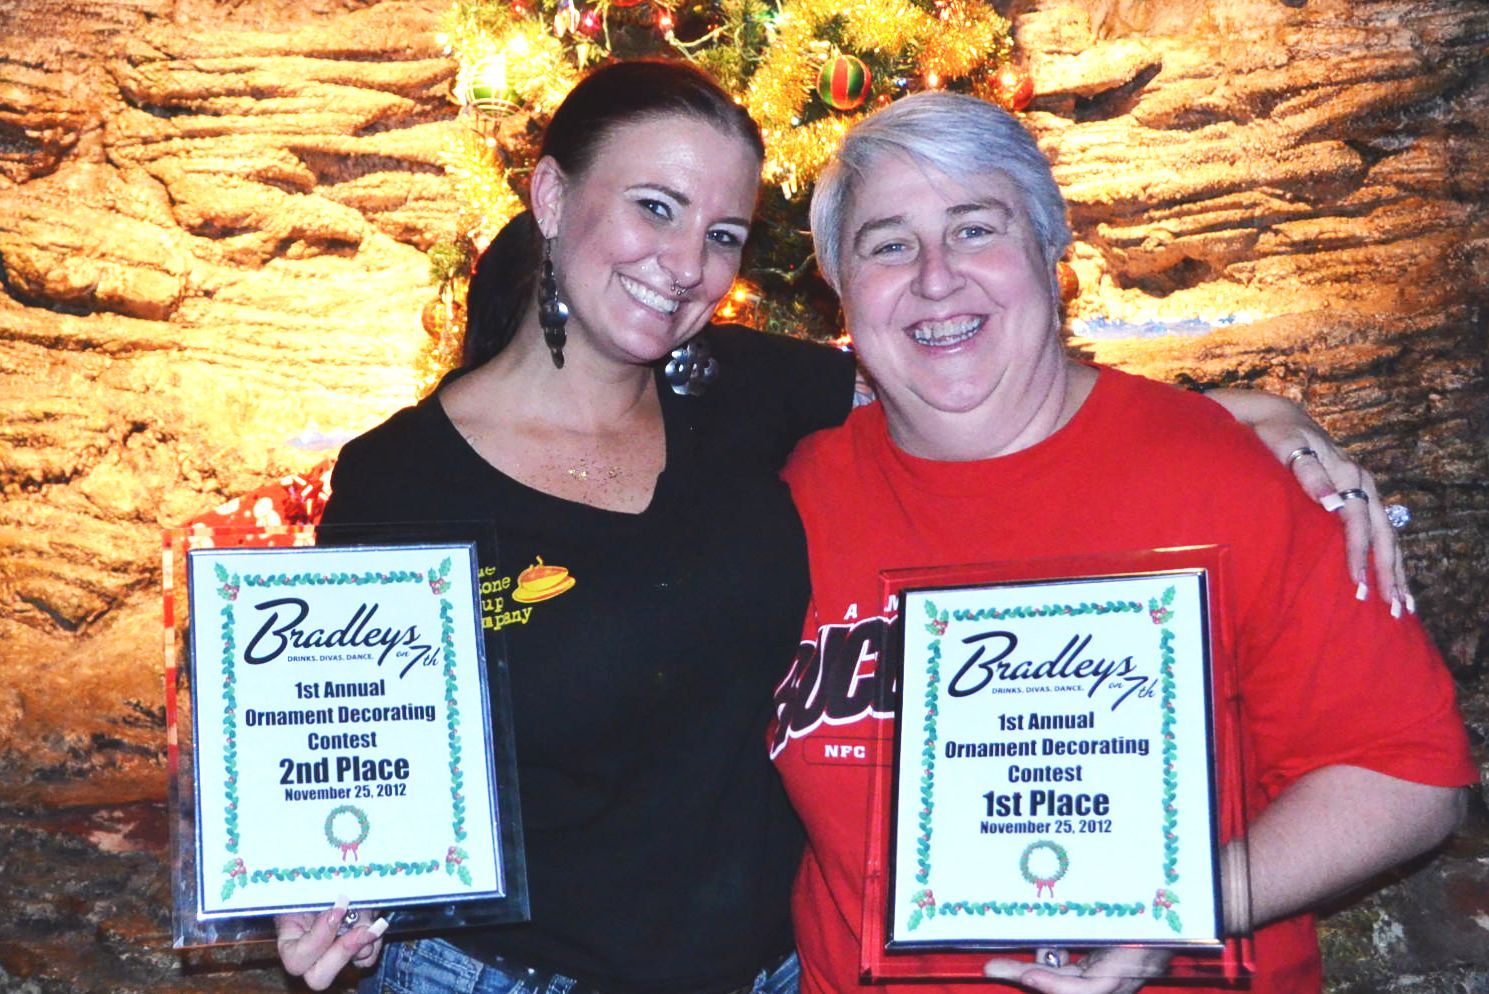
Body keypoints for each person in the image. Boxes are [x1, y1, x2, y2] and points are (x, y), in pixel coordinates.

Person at [276, 60, 1414, 994]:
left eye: (724, 233)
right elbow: (357, 752)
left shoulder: (746, 394)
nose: (685, 265)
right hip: (508, 975)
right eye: (654, 207)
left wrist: (1249, 417)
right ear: (553, 197)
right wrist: (317, 890)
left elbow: (970, 369)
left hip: (769, 974)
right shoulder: (398, 479)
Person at [769, 91, 1474, 994]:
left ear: (1048, 248)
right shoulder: (790, 495)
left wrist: (1179, 905)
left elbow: (1407, 774)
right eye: (888, 245)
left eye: (975, 229)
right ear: (839, 283)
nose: (936, 277)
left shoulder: (1224, 477)